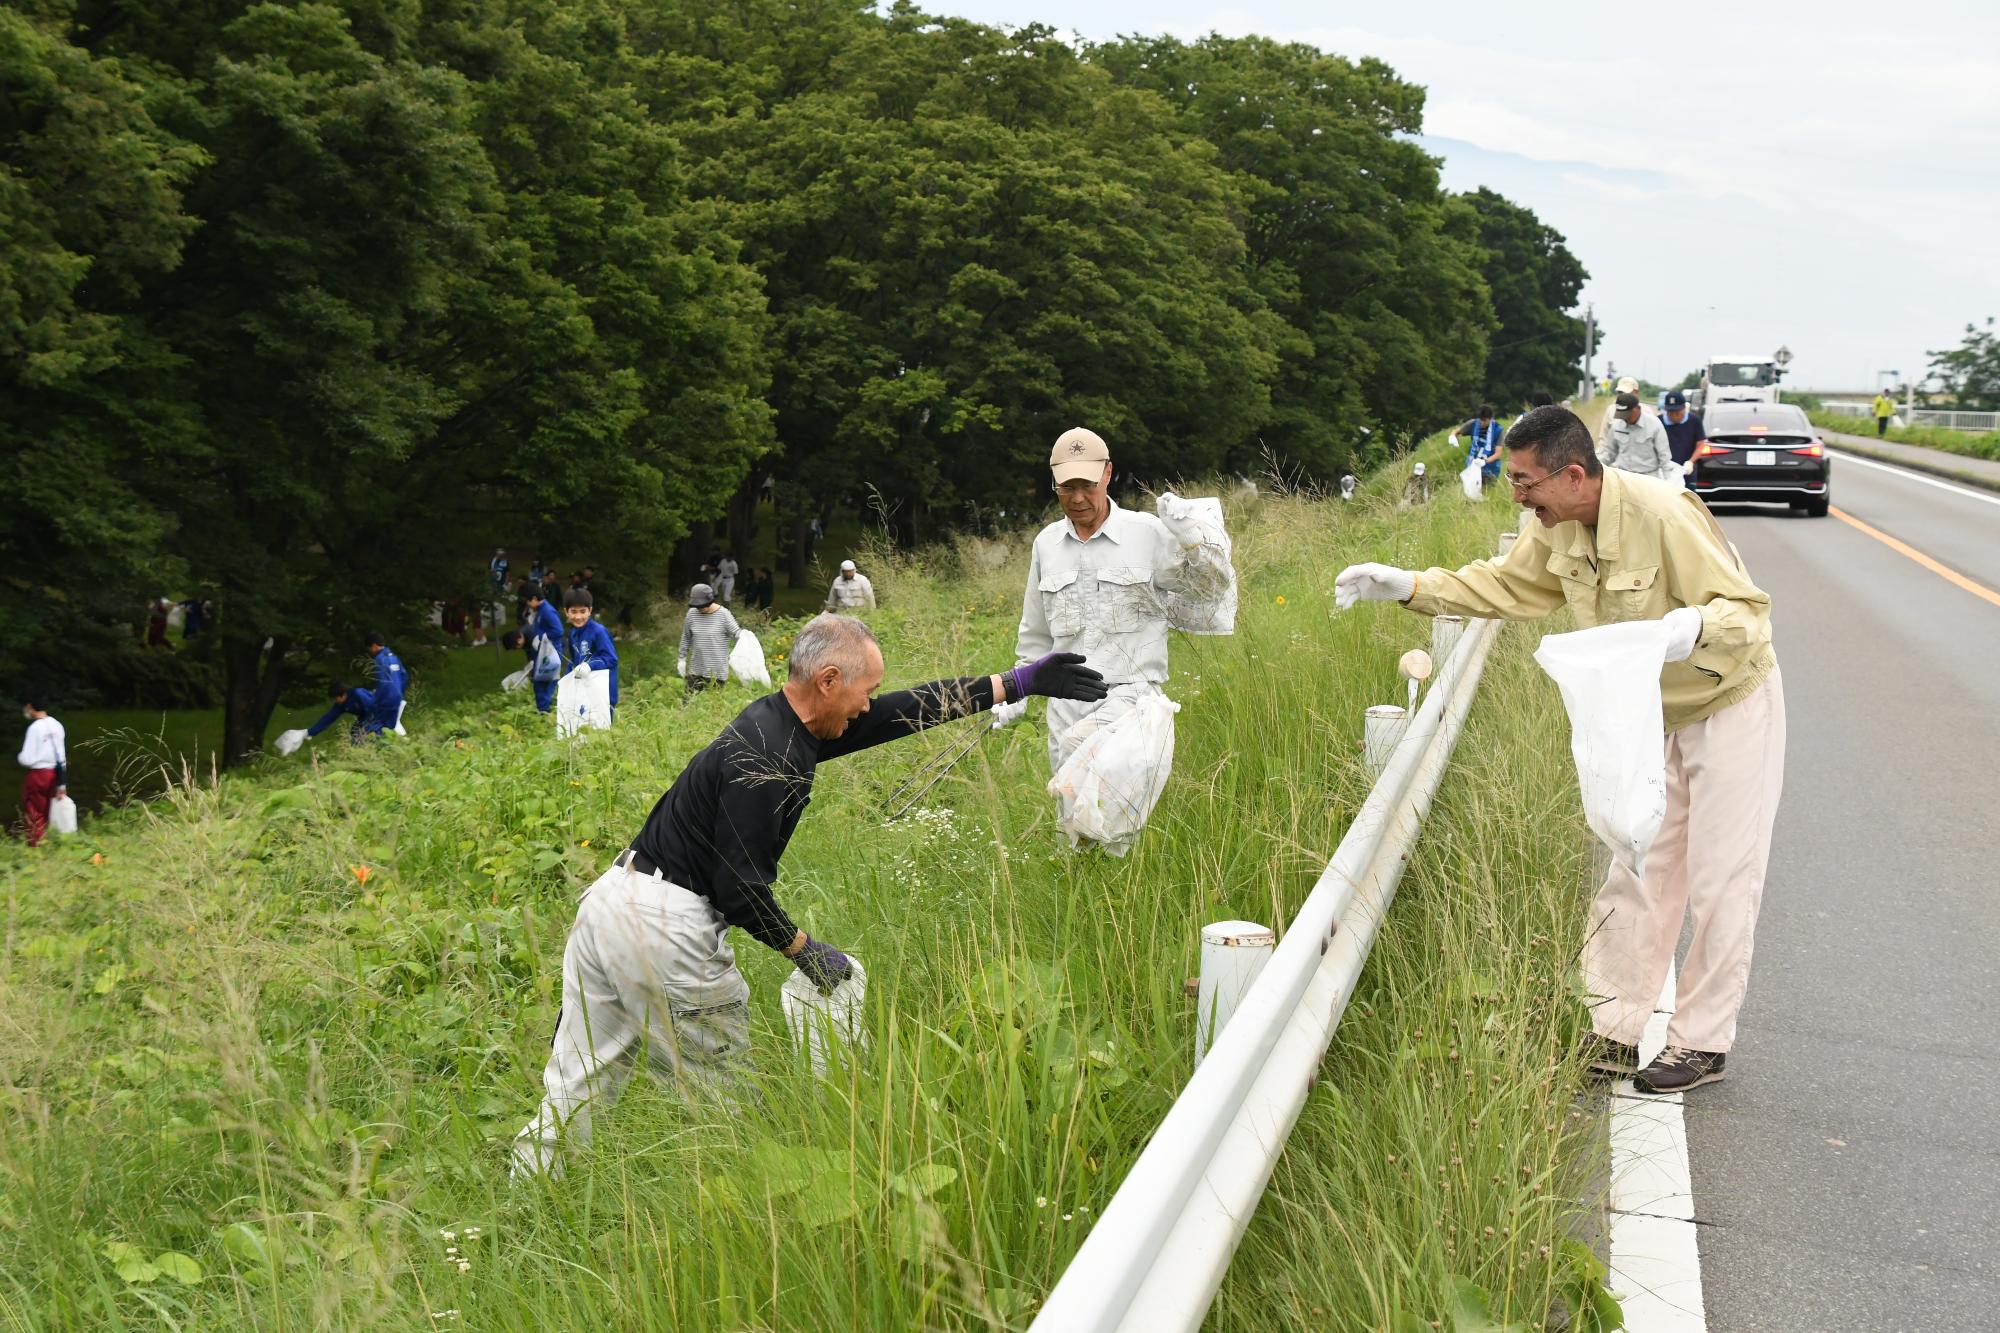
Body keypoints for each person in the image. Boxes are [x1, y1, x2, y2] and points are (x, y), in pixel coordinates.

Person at [511, 615, 1108, 1175]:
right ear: (828, 680)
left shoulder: (777, 719)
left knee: (579, 1076)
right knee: (724, 1096)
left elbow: (894, 714)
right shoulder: (773, 759)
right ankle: (731, 1216)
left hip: (611, 900)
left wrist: (1014, 683)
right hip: (664, 928)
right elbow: (737, 887)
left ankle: (531, 1196)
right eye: (863, 690)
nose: (868, 704)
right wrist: (802, 948)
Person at [1334, 405, 1785, 1095]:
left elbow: (1746, 613)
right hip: (1649, 713)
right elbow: (1508, 585)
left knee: (1724, 876)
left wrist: (1689, 626)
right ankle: (1615, 1027)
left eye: (1524, 482)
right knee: (1637, 863)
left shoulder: (1665, 514)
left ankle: (1702, 1042)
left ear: (1574, 474)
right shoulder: (1555, 525)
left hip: (1728, 702)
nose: (1515, 494)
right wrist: (1412, 586)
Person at [1004, 426, 1231, 854]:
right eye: (1066, 487)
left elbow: (1210, 592)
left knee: (1125, 831)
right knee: (1074, 831)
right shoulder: (1046, 545)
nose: (1077, 498)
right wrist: (1017, 689)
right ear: (1054, 484)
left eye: (1086, 486)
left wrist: (1194, 543)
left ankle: (1130, 905)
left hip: (1132, 710)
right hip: (1067, 710)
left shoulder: (1147, 533)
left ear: (1108, 475)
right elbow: (1035, 632)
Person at [17, 695, 67, 847]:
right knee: (47, 808)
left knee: (34, 810)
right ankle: (49, 840)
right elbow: (62, 755)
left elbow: (27, 758)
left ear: (30, 707)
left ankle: (36, 845)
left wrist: (19, 757)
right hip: (55, 774)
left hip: (38, 774)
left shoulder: (35, 728)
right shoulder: (57, 725)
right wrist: (62, 784)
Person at [560, 588, 619, 717]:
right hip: (583, 692)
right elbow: (575, 661)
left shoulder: (598, 631)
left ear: (590, 610)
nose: (578, 616)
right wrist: (568, 678)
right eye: (573, 612)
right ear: (566, 612)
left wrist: (590, 665)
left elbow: (611, 658)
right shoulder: (573, 634)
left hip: (602, 694)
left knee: (600, 734)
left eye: (583, 611)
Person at [1600, 391, 1678, 483]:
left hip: (1648, 479)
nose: (1625, 418)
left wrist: (1669, 483)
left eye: (1628, 414)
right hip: (1624, 477)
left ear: (1638, 408)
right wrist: (1593, 467)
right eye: (1622, 415)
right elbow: (1609, 453)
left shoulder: (1654, 425)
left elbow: (1664, 458)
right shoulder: (1617, 425)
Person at [679, 584, 740, 695]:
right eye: (697, 606)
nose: (699, 609)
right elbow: (686, 637)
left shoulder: (724, 615)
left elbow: (738, 636)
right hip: (696, 670)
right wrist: (681, 658)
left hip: (717, 673)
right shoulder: (692, 614)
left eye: (701, 606)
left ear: (709, 601)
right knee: (687, 703)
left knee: (712, 706)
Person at [523, 584, 565, 713]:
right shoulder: (540, 611)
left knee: (545, 682)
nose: (527, 603)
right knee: (539, 682)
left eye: (527, 600)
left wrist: (542, 637)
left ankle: (545, 711)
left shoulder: (547, 611)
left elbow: (559, 631)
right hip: (542, 651)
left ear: (534, 598)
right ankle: (542, 709)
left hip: (550, 653)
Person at [302, 681, 378, 746]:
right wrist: (310, 732)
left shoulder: (358, 693)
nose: (335, 701)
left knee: (364, 732)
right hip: (364, 716)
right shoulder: (340, 705)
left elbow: (373, 705)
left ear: (343, 694)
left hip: (379, 712)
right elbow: (328, 718)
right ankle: (358, 751)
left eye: (335, 698)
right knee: (354, 732)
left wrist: (368, 726)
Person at [1658, 390, 1706, 487]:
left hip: (1687, 471)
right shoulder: (1659, 422)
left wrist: (1691, 462)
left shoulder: (1694, 421)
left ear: (1684, 408)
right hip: (1665, 472)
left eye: (1677, 412)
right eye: (1670, 412)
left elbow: (1700, 444)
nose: (1674, 416)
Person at [1451, 405, 1505, 488]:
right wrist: (1452, 437)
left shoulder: (1498, 430)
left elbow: (1498, 454)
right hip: (1472, 466)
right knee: (1470, 492)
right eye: (1480, 419)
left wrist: (1484, 461)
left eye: (1484, 420)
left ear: (1490, 419)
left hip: (1490, 468)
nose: (1481, 423)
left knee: (1487, 493)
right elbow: (1456, 431)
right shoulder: (1473, 424)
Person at [363, 633, 407, 735]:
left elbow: (384, 683)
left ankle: (379, 747)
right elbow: (404, 676)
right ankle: (393, 747)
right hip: (397, 698)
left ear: (374, 646)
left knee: (375, 727)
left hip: (386, 699)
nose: (370, 651)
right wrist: (399, 692)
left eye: (369, 648)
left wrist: (375, 699)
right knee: (390, 728)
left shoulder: (380, 659)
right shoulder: (393, 657)